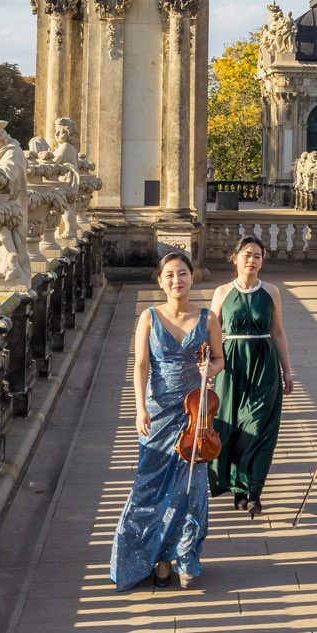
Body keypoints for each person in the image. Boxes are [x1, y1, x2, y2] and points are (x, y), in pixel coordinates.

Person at [111, 249, 225, 591]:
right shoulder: (148, 316)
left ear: (193, 278)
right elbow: (141, 366)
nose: (178, 280)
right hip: (158, 412)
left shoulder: (208, 319)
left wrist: (211, 369)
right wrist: (139, 408)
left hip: (195, 414)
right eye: (170, 275)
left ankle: (185, 556)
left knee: (191, 490)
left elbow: (220, 359)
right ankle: (157, 560)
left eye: (183, 274)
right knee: (149, 488)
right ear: (161, 281)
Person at [207, 235, 294, 517]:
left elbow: (278, 331)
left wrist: (287, 369)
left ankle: (254, 489)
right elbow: (210, 332)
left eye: (257, 256)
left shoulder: (271, 292)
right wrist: (208, 367)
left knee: (258, 426)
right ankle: (238, 487)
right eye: (247, 255)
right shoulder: (221, 292)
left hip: (263, 363)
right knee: (231, 427)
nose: (252, 260)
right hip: (231, 366)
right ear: (235, 258)